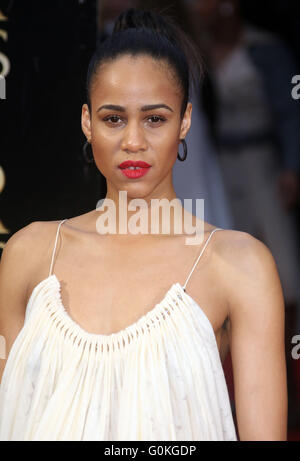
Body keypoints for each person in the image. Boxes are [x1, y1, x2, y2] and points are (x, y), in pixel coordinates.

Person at [0, 8, 287, 441]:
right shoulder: (30, 253)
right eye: (113, 118)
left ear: (185, 121)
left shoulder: (240, 264)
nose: (133, 141)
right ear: (86, 122)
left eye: (155, 118)